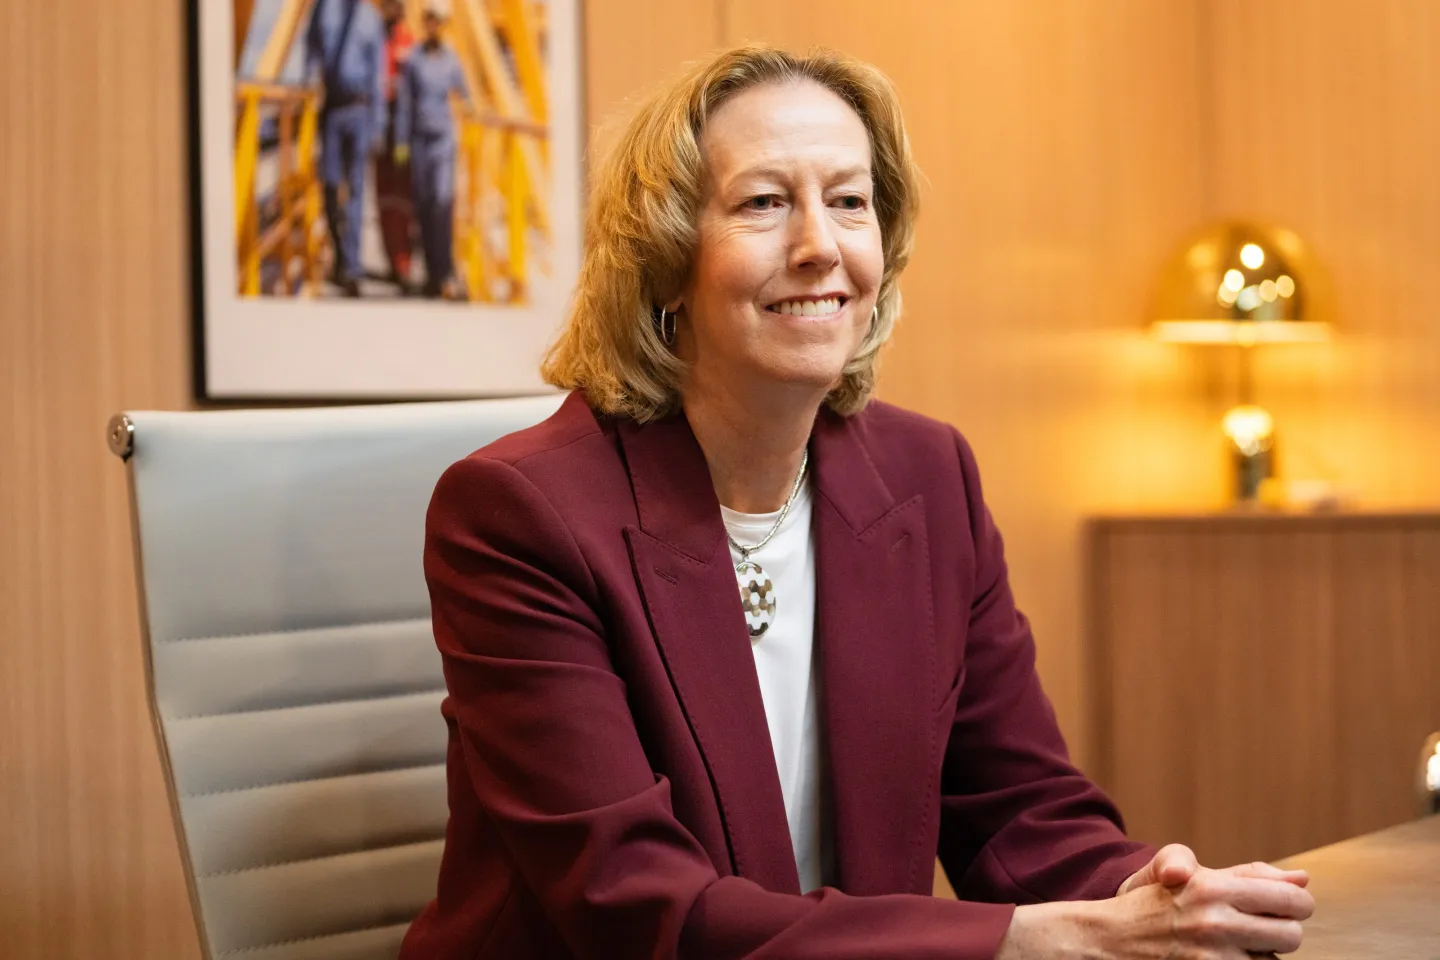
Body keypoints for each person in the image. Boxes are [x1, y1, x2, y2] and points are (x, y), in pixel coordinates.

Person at [400, 45, 1315, 959]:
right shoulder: (520, 515)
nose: (819, 247)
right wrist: (1048, 940)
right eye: (763, 203)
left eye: (849, 201)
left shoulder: (927, 475)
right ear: (667, 257)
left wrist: (1155, 893)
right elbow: (639, 909)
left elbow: (1015, 812)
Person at [306, 0, 386, 297]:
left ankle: (351, 268)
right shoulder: (322, 9)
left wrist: (378, 125)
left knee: (356, 189)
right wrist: (309, 79)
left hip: (360, 111)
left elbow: (378, 77)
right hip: (332, 111)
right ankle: (340, 254)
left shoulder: (371, 18)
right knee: (328, 186)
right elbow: (312, 48)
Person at [393, 1, 470, 299]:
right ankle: (431, 276)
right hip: (419, 143)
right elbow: (404, 105)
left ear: (443, 24)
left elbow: (465, 94)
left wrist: (475, 111)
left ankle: (446, 273)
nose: (431, 25)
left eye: (436, 20)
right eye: (428, 20)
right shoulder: (414, 60)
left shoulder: (452, 60)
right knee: (424, 208)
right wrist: (401, 144)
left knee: (442, 204)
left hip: (443, 142)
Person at [374, 0, 416, 294]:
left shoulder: (408, 43)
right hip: (380, 126)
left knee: (403, 197)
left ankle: (403, 262)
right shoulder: (374, 39)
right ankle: (392, 260)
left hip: (403, 132)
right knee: (384, 196)